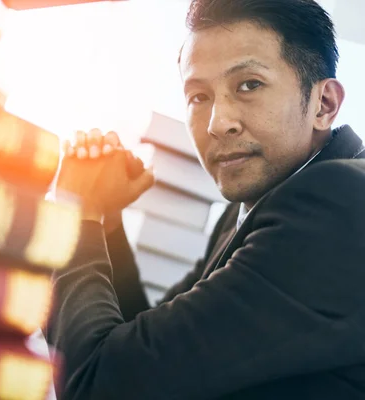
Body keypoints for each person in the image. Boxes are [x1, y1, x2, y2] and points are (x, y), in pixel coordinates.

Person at [47, 0, 365, 398]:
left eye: (249, 85)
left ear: (324, 104)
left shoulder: (340, 204)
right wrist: (106, 222)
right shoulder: (251, 204)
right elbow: (149, 344)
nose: (218, 124)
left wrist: (74, 214)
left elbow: (97, 386)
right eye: (198, 96)